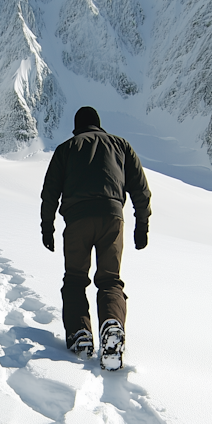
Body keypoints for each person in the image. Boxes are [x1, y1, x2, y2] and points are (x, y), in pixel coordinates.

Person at [40, 106, 151, 370]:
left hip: (77, 220)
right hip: (112, 218)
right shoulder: (121, 145)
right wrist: (141, 226)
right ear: (99, 125)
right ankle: (112, 326)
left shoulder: (66, 149)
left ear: (77, 127)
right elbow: (141, 191)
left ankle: (80, 334)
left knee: (75, 279)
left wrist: (48, 228)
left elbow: (49, 193)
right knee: (110, 279)